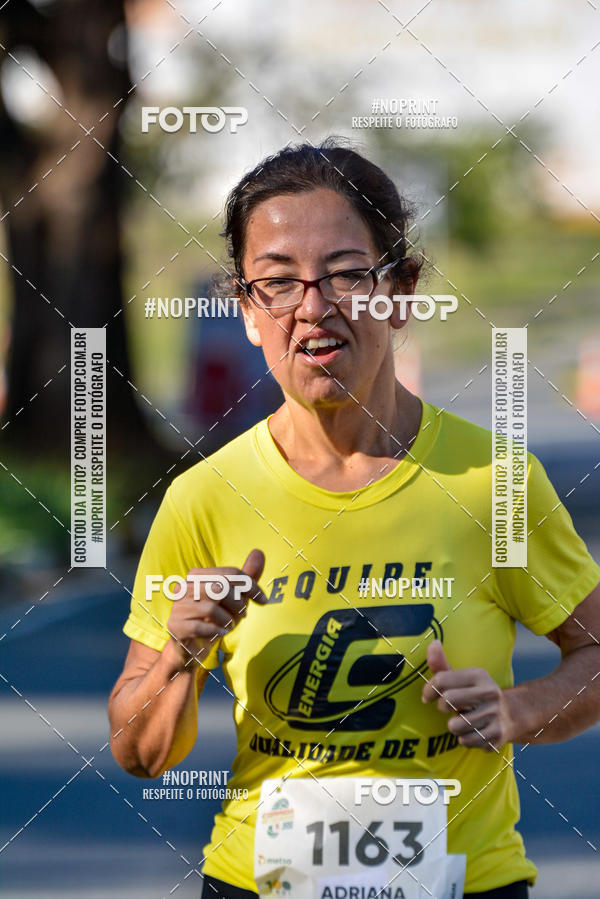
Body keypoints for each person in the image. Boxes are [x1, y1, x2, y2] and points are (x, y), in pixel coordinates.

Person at [108, 139, 600, 899]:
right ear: (246, 309)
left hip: (466, 884)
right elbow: (139, 751)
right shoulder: (204, 495)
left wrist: (519, 707)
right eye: (276, 283)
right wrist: (176, 650)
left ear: (400, 291)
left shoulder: (494, 482)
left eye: (344, 274)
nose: (312, 307)